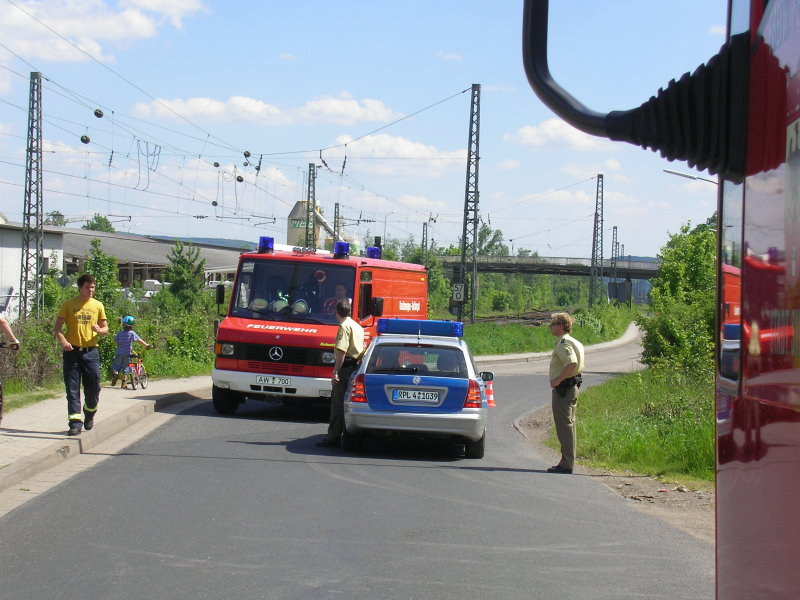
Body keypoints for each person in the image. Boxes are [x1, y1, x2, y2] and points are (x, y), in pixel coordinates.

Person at [54, 273, 109, 436]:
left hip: (91, 352)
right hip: (72, 353)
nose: (90, 290)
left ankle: (90, 411)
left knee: (93, 387)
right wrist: (63, 341)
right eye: (87, 287)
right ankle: (75, 423)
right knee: (72, 389)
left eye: (92, 287)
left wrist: (100, 330)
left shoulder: (97, 305)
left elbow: (105, 328)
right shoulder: (69, 304)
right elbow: (57, 328)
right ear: (80, 288)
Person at [317, 300, 364, 447]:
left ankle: (333, 436)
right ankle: (348, 434)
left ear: (336, 313)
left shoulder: (344, 327)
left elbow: (342, 352)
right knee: (349, 403)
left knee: (337, 403)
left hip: (345, 367)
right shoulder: (357, 326)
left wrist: (335, 371)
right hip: (355, 366)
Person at [547, 312, 585, 474]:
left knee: (564, 425)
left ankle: (566, 463)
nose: (551, 326)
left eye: (553, 323)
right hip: (571, 385)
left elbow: (572, 363)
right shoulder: (573, 341)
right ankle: (567, 460)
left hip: (564, 388)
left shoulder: (564, 343)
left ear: (561, 325)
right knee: (568, 424)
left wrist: (558, 380)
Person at [111, 316, 151, 388]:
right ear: (132, 325)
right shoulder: (132, 333)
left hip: (119, 353)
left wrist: (121, 345)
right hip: (127, 353)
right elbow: (139, 340)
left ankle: (116, 375)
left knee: (116, 366)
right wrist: (146, 345)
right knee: (126, 368)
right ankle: (123, 383)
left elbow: (115, 342)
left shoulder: (119, 333)